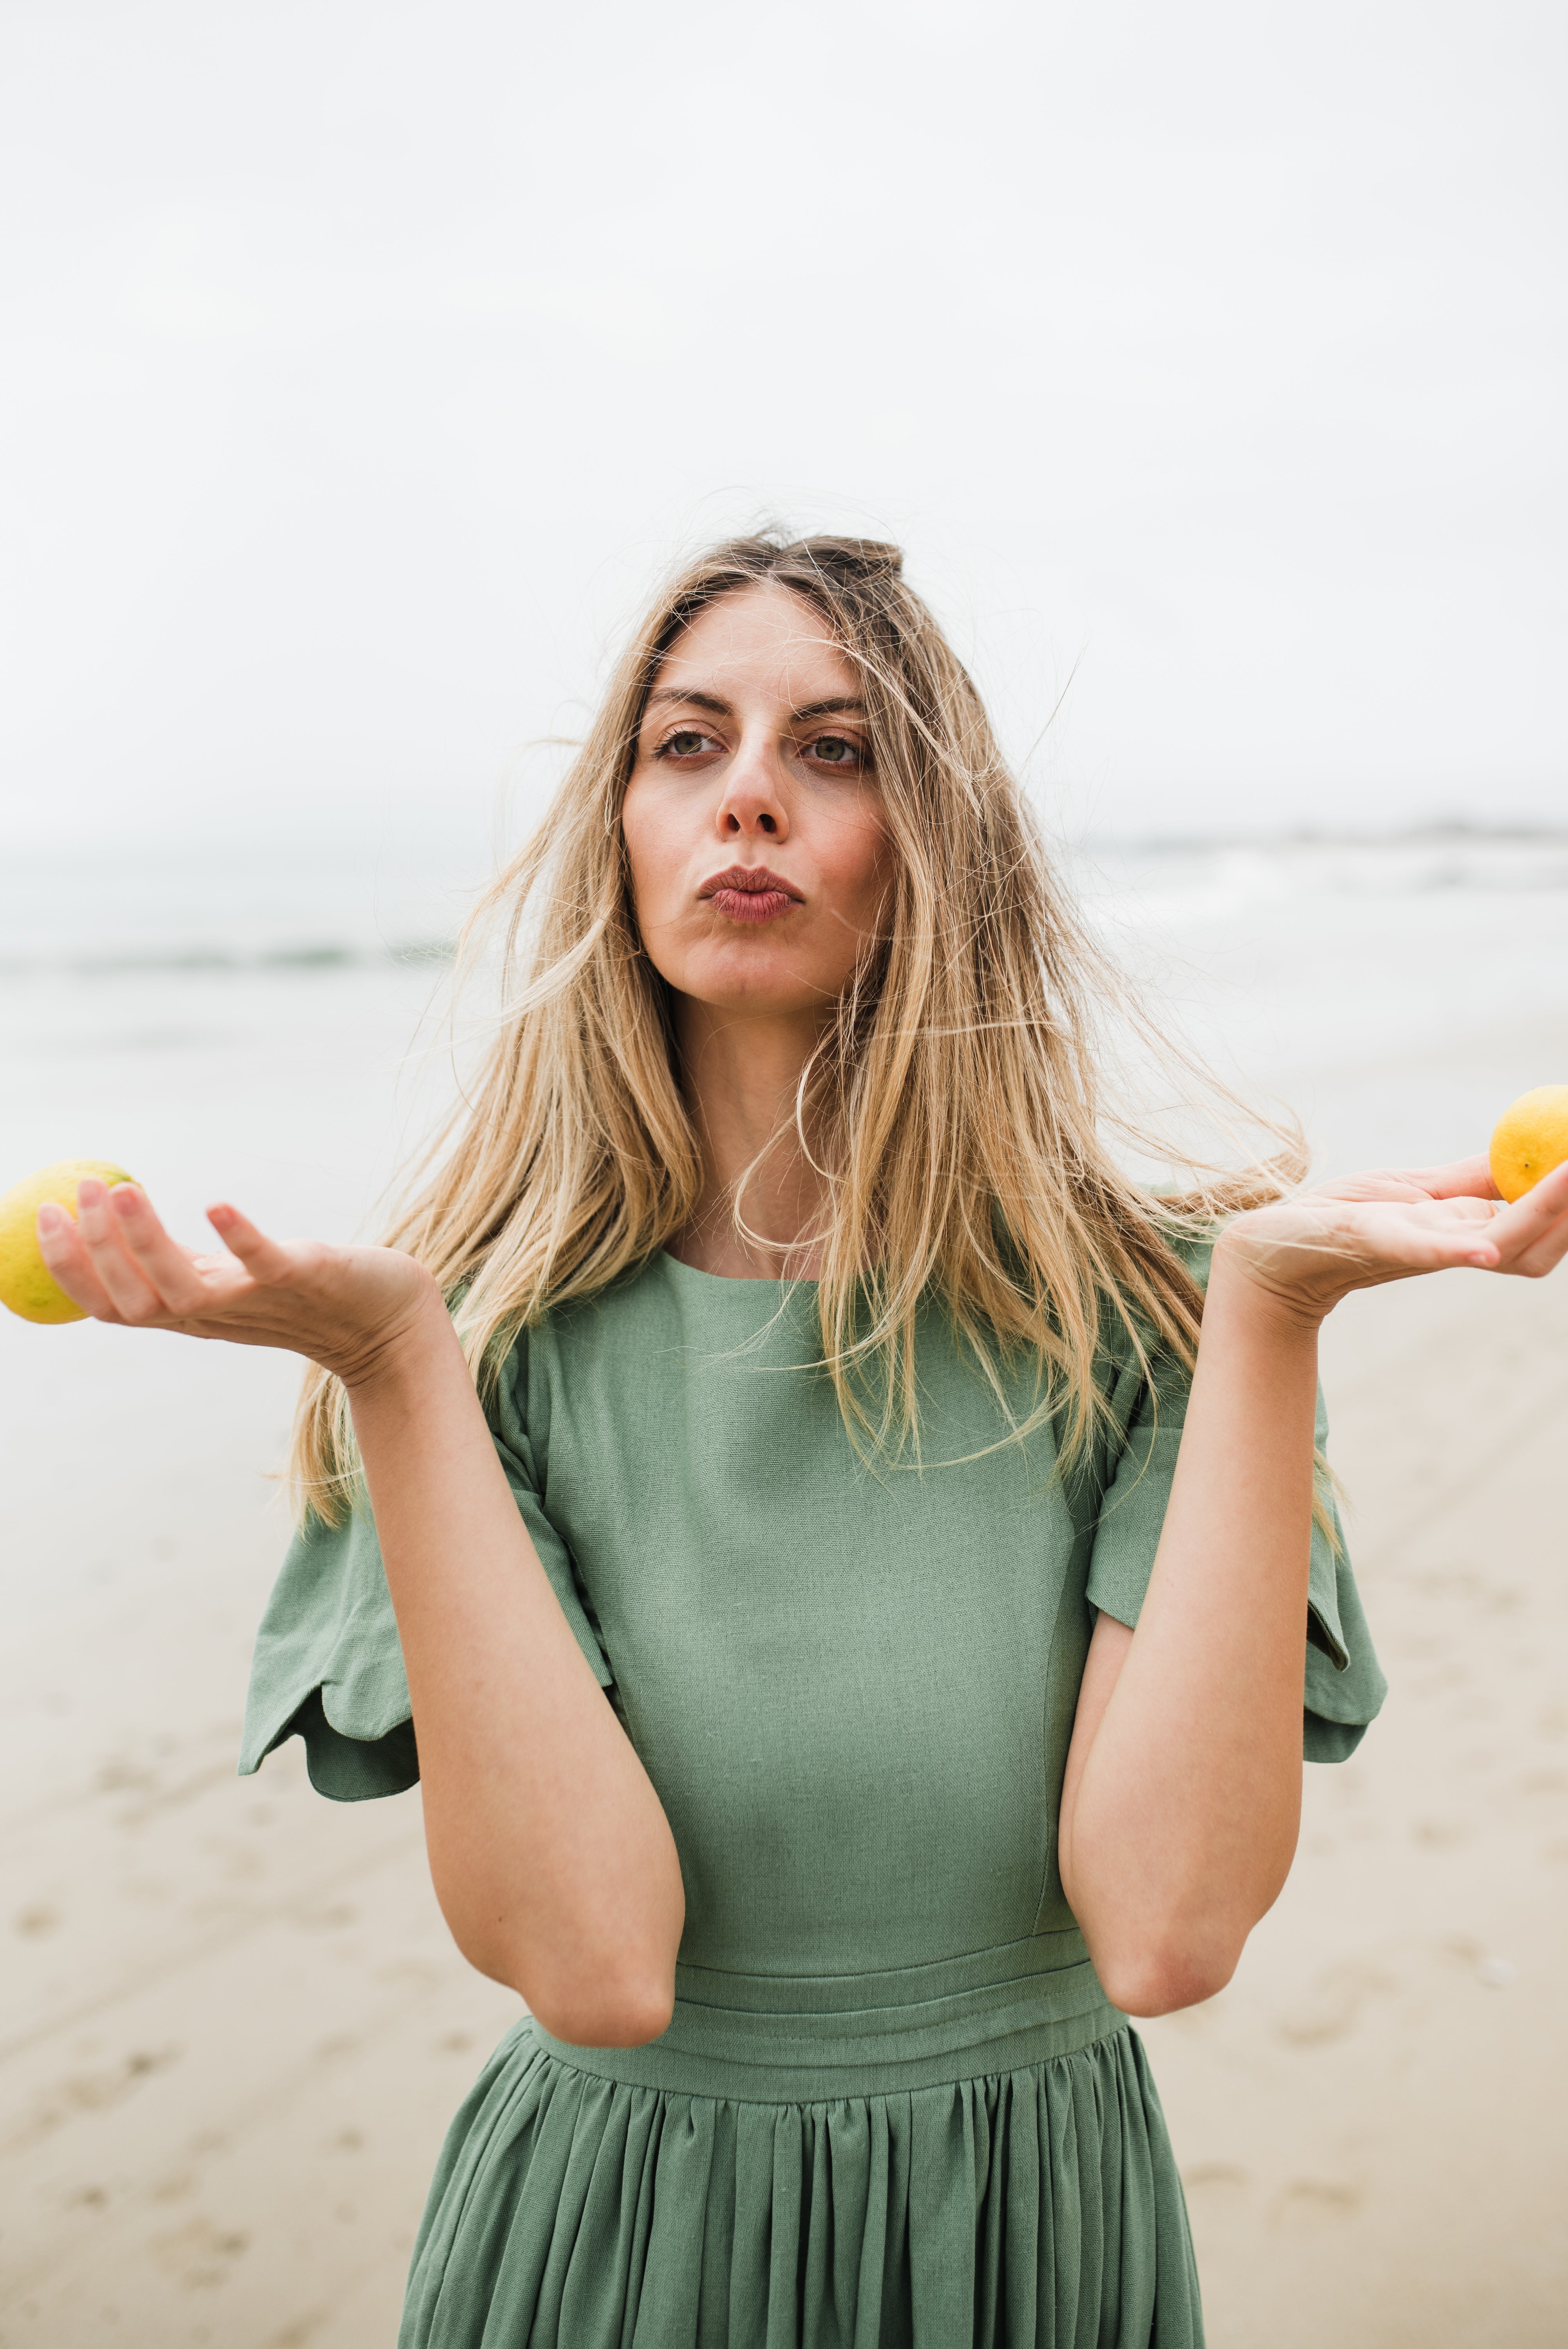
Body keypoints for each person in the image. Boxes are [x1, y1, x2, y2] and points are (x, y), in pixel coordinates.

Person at [39, 536, 1568, 2348]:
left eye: (831, 750)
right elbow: (595, 1966)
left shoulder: (1152, 1320)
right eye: (687, 745)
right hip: (616, 2257)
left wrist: (1265, 1313)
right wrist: (390, 1366)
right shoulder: (474, 1350)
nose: (747, 792)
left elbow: (1164, 1932)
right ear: (618, 828)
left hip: (1031, 2248)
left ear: (937, 848)